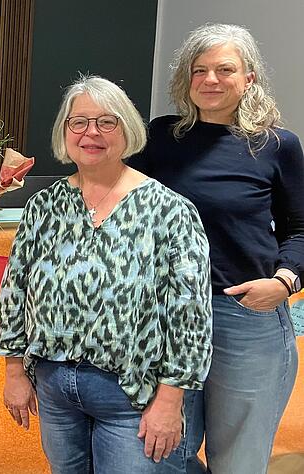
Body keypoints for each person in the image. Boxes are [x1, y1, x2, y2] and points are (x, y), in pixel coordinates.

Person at [0, 75, 212, 473]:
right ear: (65, 132)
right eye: (79, 122)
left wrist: (170, 400)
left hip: (133, 395)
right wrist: (13, 370)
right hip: (55, 386)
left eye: (106, 122)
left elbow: (191, 315)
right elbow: (14, 289)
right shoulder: (44, 205)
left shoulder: (170, 211)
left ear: (126, 130)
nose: (91, 132)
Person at [129, 23, 304, 474]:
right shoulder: (162, 138)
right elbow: (110, 191)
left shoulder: (276, 145)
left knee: (237, 460)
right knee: (164, 453)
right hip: (166, 316)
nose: (210, 79)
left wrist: (283, 283)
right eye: (199, 70)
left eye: (224, 69)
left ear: (249, 78)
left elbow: (301, 229)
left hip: (245, 315)